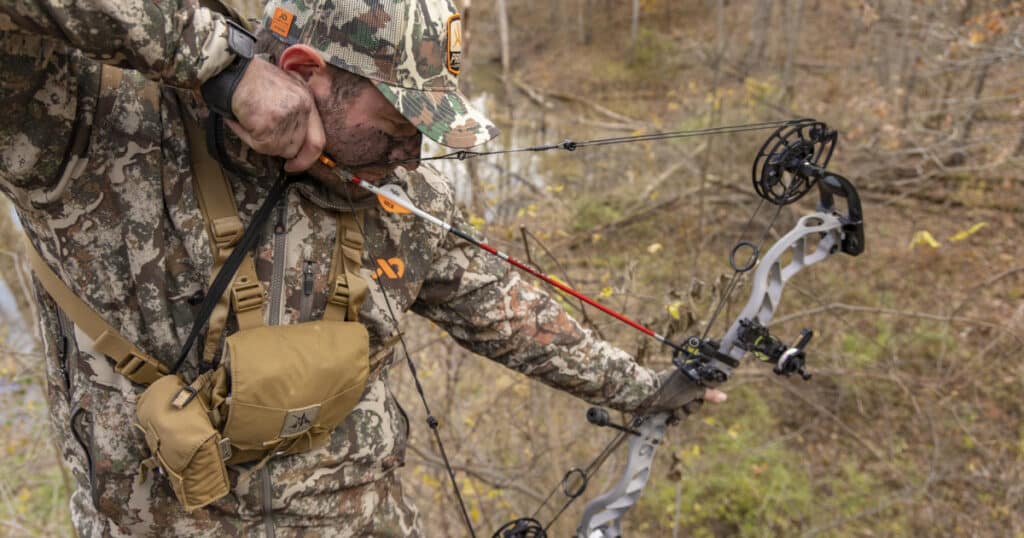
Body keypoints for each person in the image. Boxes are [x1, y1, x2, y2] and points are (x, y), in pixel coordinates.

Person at [0, 0, 725, 535]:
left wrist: (652, 389)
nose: (413, 155)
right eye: (399, 128)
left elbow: (503, 309)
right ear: (306, 73)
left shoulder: (402, 196)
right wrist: (218, 66)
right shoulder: (87, 126)